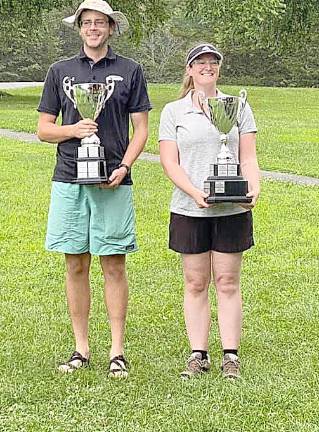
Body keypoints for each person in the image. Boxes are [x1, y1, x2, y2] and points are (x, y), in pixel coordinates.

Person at [37, 0, 151, 378]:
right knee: (75, 263)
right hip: (69, 177)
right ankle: (81, 348)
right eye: (87, 23)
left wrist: (125, 166)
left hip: (113, 180)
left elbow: (142, 130)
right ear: (79, 28)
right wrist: (74, 130)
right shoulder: (60, 71)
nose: (93, 28)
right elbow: (43, 129)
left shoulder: (130, 70)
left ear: (110, 28)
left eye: (100, 22)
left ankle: (117, 350)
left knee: (114, 263)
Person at [159, 43, 260, 379]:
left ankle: (230, 355)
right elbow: (169, 163)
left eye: (212, 62)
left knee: (228, 281)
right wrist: (194, 192)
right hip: (190, 208)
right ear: (189, 70)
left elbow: (247, 157)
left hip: (232, 209)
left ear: (218, 68)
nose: (206, 67)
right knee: (195, 282)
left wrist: (253, 187)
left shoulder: (239, 105)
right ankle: (197, 354)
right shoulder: (173, 111)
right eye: (199, 62)